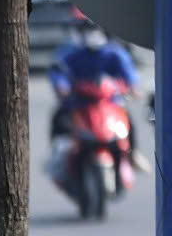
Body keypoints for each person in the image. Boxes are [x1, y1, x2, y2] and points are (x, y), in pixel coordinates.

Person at [49, 23, 141, 156]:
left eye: (95, 30)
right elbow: (59, 71)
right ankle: (58, 156)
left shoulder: (114, 53)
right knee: (60, 120)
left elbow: (128, 71)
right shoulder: (72, 53)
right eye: (88, 31)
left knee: (127, 121)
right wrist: (62, 86)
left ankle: (133, 153)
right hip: (79, 102)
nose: (92, 35)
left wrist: (133, 86)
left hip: (110, 101)